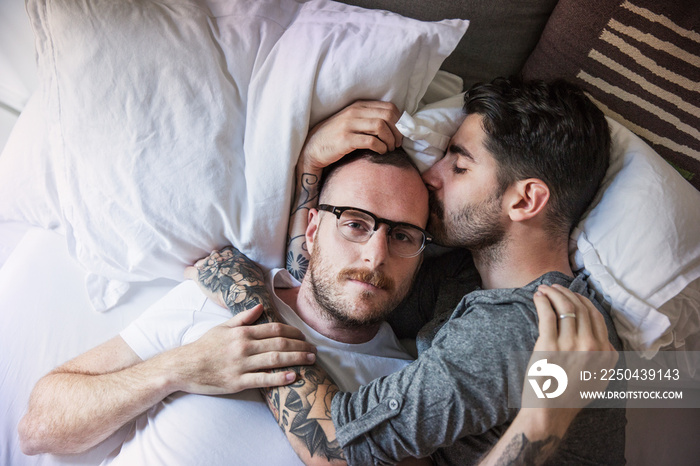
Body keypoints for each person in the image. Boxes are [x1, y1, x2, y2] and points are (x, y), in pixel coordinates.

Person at [192, 77, 626, 465]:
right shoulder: (463, 279)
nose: (432, 176)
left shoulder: (517, 326)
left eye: (458, 166)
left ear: (525, 200)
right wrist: (311, 167)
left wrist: (247, 296)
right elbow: (333, 290)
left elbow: (340, 445)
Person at [18, 150, 431, 464]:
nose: (376, 256)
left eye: (403, 236)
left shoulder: (410, 384)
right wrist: (178, 369)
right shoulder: (213, 299)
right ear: (312, 230)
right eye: (355, 223)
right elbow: (38, 427)